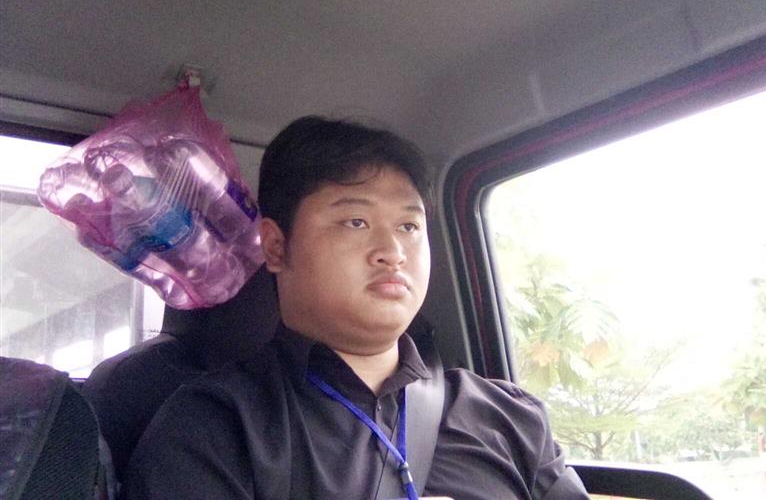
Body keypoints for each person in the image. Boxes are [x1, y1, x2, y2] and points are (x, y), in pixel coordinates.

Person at [123, 116, 589, 499]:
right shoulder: (212, 430)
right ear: (277, 246)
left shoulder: (510, 417)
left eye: (409, 227)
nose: (393, 251)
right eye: (356, 221)